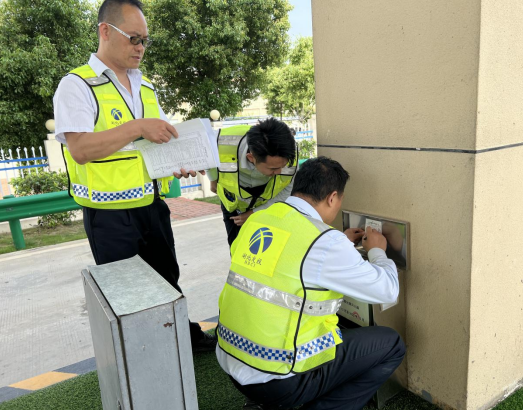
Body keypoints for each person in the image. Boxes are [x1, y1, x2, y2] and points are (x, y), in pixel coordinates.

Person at [53, 0, 215, 352]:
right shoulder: (77, 85)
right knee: (128, 297)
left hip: (151, 205)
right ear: (105, 31)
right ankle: (145, 356)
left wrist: (181, 158)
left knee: (167, 279)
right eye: (134, 38)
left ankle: (180, 339)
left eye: (145, 40)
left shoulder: (147, 87)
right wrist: (137, 126)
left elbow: (154, 143)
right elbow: (80, 148)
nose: (141, 47)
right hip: (109, 216)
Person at [216, 156, 406, 410]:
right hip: (278, 376)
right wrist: (378, 251)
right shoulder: (325, 241)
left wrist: (339, 243)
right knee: (391, 345)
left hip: (231, 358)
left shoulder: (259, 219)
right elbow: (388, 290)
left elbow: (288, 261)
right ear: (332, 198)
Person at [208, 118, 298, 247]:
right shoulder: (220, 142)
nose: (279, 172)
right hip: (233, 204)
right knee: (237, 248)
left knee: (267, 250)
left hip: (268, 207)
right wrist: (213, 179)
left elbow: (286, 192)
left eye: (282, 166)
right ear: (251, 158)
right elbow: (208, 157)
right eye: (273, 168)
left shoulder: (289, 152)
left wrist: (253, 213)